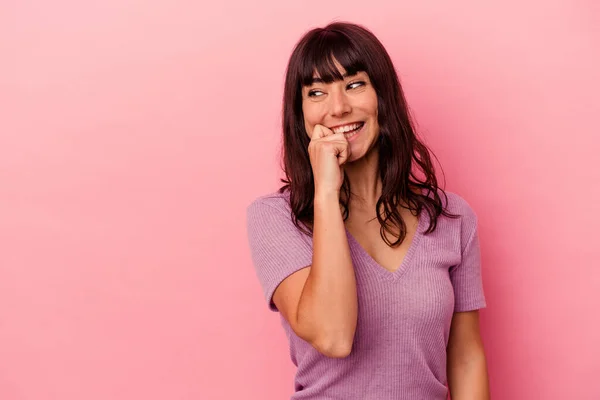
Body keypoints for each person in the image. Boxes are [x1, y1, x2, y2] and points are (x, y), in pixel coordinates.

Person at [246, 21, 490, 400]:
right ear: (300, 114)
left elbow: (465, 358)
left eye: (355, 84)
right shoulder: (279, 219)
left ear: (383, 95)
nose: (338, 107)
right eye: (316, 92)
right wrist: (326, 191)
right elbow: (333, 334)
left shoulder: (452, 218)